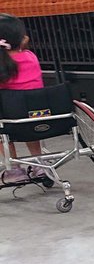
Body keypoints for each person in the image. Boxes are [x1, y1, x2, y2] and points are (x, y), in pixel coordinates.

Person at [0, 13, 47, 185]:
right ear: (23, 39)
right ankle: (39, 162)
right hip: (39, 117)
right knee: (27, 113)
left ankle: (13, 168)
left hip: (11, 122)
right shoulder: (31, 57)